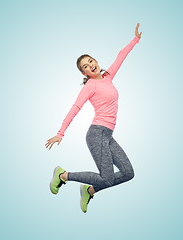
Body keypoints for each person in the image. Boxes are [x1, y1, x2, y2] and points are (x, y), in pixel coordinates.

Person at [45, 23, 143, 213]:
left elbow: (120, 57)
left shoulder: (107, 77)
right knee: (107, 177)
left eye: (91, 61)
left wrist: (135, 39)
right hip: (96, 134)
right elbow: (75, 107)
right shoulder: (90, 85)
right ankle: (63, 175)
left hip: (108, 135)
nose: (91, 65)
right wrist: (60, 133)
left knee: (128, 173)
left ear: (96, 61)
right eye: (86, 66)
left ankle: (89, 190)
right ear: (84, 73)